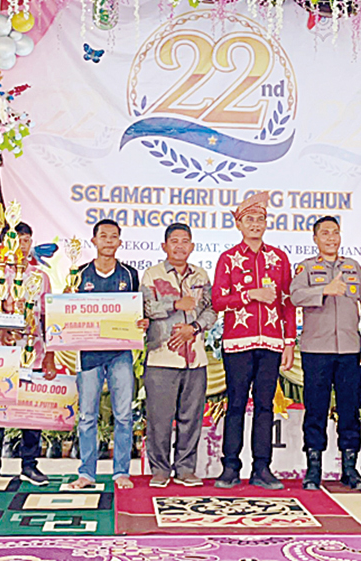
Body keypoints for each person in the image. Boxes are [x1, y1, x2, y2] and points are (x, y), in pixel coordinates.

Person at [211, 192, 295, 490]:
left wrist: (289, 342)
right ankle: (230, 467)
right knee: (235, 404)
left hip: (271, 343)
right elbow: (218, 301)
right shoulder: (228, 259)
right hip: (238, 342)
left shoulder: (279, 258)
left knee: (264, 406)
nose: (256, 224)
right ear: (238, 223)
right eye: (250, 219)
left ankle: (263, 468)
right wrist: (250, 295)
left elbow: (287, 302)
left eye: (261, 219)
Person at [290, 216, 361, 490]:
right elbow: (294, 296)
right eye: (324, 233)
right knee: (315, 410)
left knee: (350, 409)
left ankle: (350, 469)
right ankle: (313, 469)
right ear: (315, 239)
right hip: (316, 350)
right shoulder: (305, 268)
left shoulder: (354, 267)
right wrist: (324, 290)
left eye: (335, 233)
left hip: (350, 350)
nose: (331, 238)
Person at [68, 219, 144, 490]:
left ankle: (121, 471)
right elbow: (68, 313)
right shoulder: (78, 274)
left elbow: (137, 312)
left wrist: (141, 323)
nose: (109, 241)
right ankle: (86, 473)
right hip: (88, 354)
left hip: (120, 353)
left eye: (114, 237)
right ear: (94, 241)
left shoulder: (130, 275)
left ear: (120, 242)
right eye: (104, 236)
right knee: (87, 415)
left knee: (123, 415)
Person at [141, 223, 217, 489]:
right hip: (162, 357)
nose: (180, 246)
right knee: (159, 419)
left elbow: (211, 310)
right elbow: (147, 307)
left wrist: (193, 328)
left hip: (195, 358)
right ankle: (160, 469)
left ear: (193, 246)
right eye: (174, 241)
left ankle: (185, 469)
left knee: (191, 418)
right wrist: (176, 304)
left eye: (185, 241)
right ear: (164, 246)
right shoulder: (152, 274)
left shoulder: (201, 275)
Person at [0, 221, 52, 486]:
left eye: (26, 240)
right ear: (4, 244)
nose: (21, 245)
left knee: (30, 410)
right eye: (16, 240)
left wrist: (49, 354)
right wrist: (1, 329)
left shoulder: (40, 276)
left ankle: (30, 465)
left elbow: (46, 317)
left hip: (31, 350)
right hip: (0, 347)